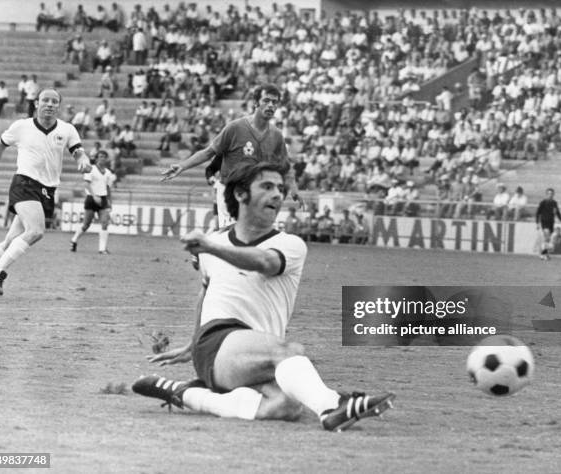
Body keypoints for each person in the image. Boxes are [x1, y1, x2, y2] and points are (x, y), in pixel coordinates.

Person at [132, 162, 394, 431]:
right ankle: (332, 406)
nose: (278, 194)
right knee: (290, 352)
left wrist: (210, 247)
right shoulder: (214, 242)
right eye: (267, 187)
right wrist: (192, 343)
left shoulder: (290, 245)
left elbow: (263, 262)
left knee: (287, 405)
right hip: (217, 342)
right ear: (240, 194)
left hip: (256, 357)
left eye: (280, 188)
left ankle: (185, 393)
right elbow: (206, 290)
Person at [0, 88, 92, 295]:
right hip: (25, 183)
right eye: (45, 100)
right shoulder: (21, 127)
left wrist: (83, 159)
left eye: (54, 101)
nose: (50, 104)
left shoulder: (67, 129)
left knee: (10, 240)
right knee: (36, 231)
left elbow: (77, 150)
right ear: (36, 104)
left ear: (58, 106)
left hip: (48, 190)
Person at [161, 83, 301, 227]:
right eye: (266, 100)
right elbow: (208, 152)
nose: (271, 105)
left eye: (275, 102)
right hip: (230, 192)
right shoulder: (235, 128)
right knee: (233, 237)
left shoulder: (276, 135)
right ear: (255, 102)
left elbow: (286, 165)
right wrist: (182, 166)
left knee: (253, 241)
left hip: (255, 193)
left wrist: (294, 188)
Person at [70, 150, 115, 254]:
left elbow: (108, 188)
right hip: (91, 198)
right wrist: (94, 196)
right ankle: (74, 240)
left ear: (107, 159)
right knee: (86, 224)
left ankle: (102, 249)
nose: (102, 158)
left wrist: (109, 201)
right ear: (97, 158)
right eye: (100, 156)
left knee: (105, 222)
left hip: (103, 199)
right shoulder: (91, 169)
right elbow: (86, 184)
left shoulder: (108, 173)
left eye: (104, 156)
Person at [536, 188, 561, 260]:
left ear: (553, 195)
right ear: (546, 194)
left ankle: (544, 254)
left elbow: (557, 212)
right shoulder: (543, 203)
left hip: (551, 222)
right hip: (544, 222)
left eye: (551, 194)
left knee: (548, 240)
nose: (550, 195)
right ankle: (543, 254)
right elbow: (538, 213)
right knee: (547, 236)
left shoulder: (554, 203)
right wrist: (537, 223)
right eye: (548, 194)